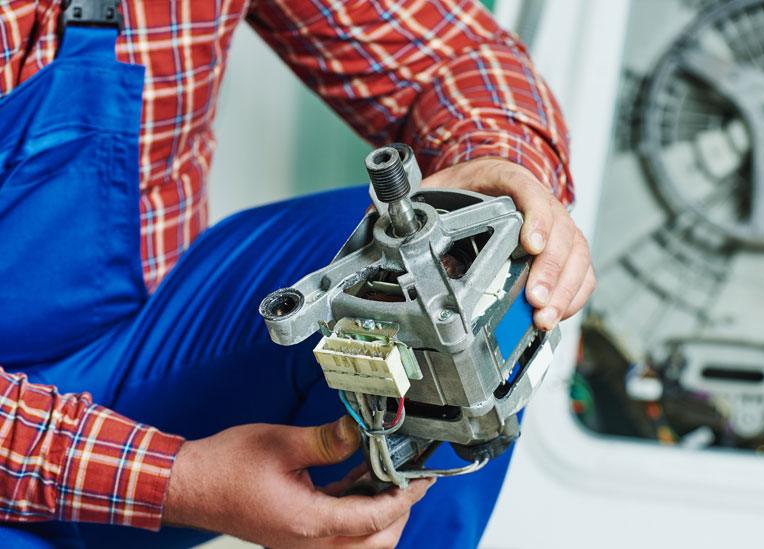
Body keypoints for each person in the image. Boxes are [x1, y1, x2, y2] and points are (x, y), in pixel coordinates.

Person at [0, 0, 593, 547]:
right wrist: (174, 481)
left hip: (140, 356)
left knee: (447, 265)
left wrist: (501, 167)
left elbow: (449, 54)